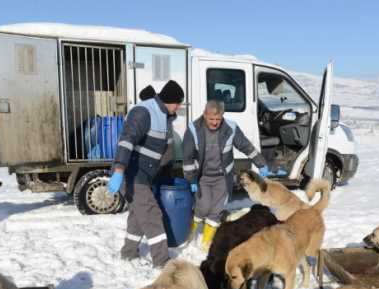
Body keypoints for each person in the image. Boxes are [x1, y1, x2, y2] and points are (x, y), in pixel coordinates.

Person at [107, 80, 184, 268]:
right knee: (151, 215)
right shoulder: (144, 112)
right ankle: (162, 261)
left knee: (137, 215)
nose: (180, 107)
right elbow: (126, 141)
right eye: (179, 103)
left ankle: (128, 252)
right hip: (132, 174)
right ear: (171, 101)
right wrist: (119, 171)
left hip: (144, 175)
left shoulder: (163, 115)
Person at [183, 100, 270, 250]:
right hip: (202, 176)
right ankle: (190, 233)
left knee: (217, 210)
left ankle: (206, 242)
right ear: (205, 115)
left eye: (218, 119)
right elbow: (187, 157)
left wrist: (261, 162)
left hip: (222, 177)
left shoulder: (230, 128)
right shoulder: (193, 129)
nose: (215, 123)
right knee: (202, 207)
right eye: (211, 119)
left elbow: (245, 146)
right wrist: (191, 179)